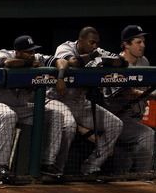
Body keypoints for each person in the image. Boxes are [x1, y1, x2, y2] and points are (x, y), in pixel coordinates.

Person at [0, 35, 77, 180]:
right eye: (28, 52)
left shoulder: (37, 59)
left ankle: (48, 164)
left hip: (21, 108)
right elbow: (7, 63)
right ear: (18, 52)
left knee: (56, 115)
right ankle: (1, 166)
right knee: (9, 116)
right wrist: (28, 65)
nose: (32, 55)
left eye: (33, 51)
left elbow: (61, 61)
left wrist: (60, 77)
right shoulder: (3, 53)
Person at [47, 26, 125, 175]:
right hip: (58, 100)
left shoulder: (96, 52)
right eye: (91, 43)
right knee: (69, 126)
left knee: (115, 124)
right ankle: (57, 168)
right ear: (81, 40)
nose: (95, 46)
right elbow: (73, 62)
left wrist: (101, 59)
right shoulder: (65, 47)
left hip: (80, 103)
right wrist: (95, 56)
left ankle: (90, 167)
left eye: (96, 43)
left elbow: (122, 61)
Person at [103, 25, 155, 174]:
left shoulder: (143, 61)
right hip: (118, 119)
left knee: (126, 163)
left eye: (143, 42)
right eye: (138, 42)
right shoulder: (116, 64)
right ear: (126, 44)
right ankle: (143, 178)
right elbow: (128, 94)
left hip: (136, 118)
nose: (143, 46)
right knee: (146, 135)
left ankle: (138, 183)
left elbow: (145, 89)